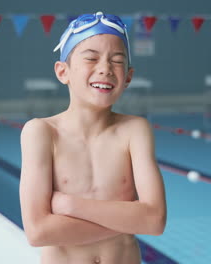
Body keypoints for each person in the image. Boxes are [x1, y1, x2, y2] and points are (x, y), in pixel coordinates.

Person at [19, 11, 167, 264]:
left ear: (128, 77)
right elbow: (38, 231)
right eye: (91, 58)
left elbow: (155, 221)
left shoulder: (135, 131)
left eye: (117, 61)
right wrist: (130, 219)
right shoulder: (41, 133)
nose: (105, 69)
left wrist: (69, 205)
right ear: (62, 71)